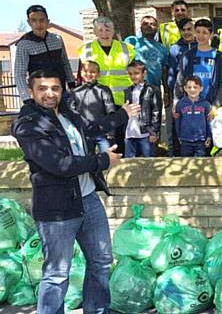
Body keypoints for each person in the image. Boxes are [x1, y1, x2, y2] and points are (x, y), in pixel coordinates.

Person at [11, 69, 139, 314]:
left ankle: (98, 310)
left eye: (55, 88)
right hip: (57, 210)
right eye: (42, 88)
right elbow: (59, 165)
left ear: (62, 90)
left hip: (88, 200)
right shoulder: (28, 125)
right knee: (57, 274)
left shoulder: (67, 114)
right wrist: (102, 160)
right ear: (31, 91)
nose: (50, 93)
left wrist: (121, 114)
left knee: (101, 261)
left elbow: (90, 129)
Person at [78, 16, 136, 154]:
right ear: (95, 32)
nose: (104, 33)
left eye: (107, 30)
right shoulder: (86, 50)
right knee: (103, 136)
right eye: (100, 30)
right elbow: (81, 76)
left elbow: (135, 72)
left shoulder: (127, 49)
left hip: (122, 99)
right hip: (97, 101)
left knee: (123, 135)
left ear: (113, 31)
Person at [15, 5, 75, 102]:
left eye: (42, 20)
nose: (38, 24)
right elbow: (19, 74)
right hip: (40, 95)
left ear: (48, 21)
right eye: (34, 20)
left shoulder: (57, 39)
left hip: (60, 91)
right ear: (29, 22)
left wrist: (71, 84)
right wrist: (26, 98)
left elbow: (65, 62)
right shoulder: (23, 44)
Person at [175, 19, 222, 109]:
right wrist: (176, 102)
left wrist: (216, 105)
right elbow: (180, 80)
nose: (201, 35)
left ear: (211, 34)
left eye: (204, 32)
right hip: (191, 105)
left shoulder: (218, 56)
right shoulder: (188, 55)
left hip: (211, 103)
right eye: (198, 32)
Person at [68, 61, 116, 153]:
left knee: (108, 156)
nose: (89, 74)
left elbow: (111, 110)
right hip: (85, 132)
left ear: (98, 75)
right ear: (81, 73)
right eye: (85, 71)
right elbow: (71, 112)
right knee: (88, 159)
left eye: (93, 72)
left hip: (102, 131)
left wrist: (111, 130)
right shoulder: (75, 92)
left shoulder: (103, 90)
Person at [167, 17, 196, 156]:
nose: (186, 32)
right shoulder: (174, 48)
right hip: (180, 92)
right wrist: (174, 94)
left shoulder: (201, 46)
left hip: (198, 91)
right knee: (178, 122)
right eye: (183, 30)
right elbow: (171, 73)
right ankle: (176, 154)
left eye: (189, 29)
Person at [123, 60, 161, 158]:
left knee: (149, 160)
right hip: (130, 131)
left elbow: (156, 111)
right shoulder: (128, 90)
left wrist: (153, 132)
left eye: (136, 73)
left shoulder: (152, 89)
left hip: (145, 132)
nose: (133, 76)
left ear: (144, 73)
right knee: (129, 161)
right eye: (130, 74)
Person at [125, 16, 169, 91]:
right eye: (145, 24)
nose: (149, 26)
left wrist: (166, 91)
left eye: (152, 24)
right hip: (136, 88)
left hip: (155, 88)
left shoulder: (163, 48)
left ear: (157, 28)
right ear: (141, 27)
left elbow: (164, 72)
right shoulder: (132, 42)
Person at [175, 76, 212, 157]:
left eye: (195, 87)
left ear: (201, 88)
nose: (192, 90)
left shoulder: (205, 104)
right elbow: (178, 122)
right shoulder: (180, 104)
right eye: (189, 87)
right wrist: (179, 137)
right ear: (185, 88)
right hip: (185, 140)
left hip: (201, 140)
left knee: (200, 163)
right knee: (185, 162)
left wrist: (209, 136)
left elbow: (209, 122)